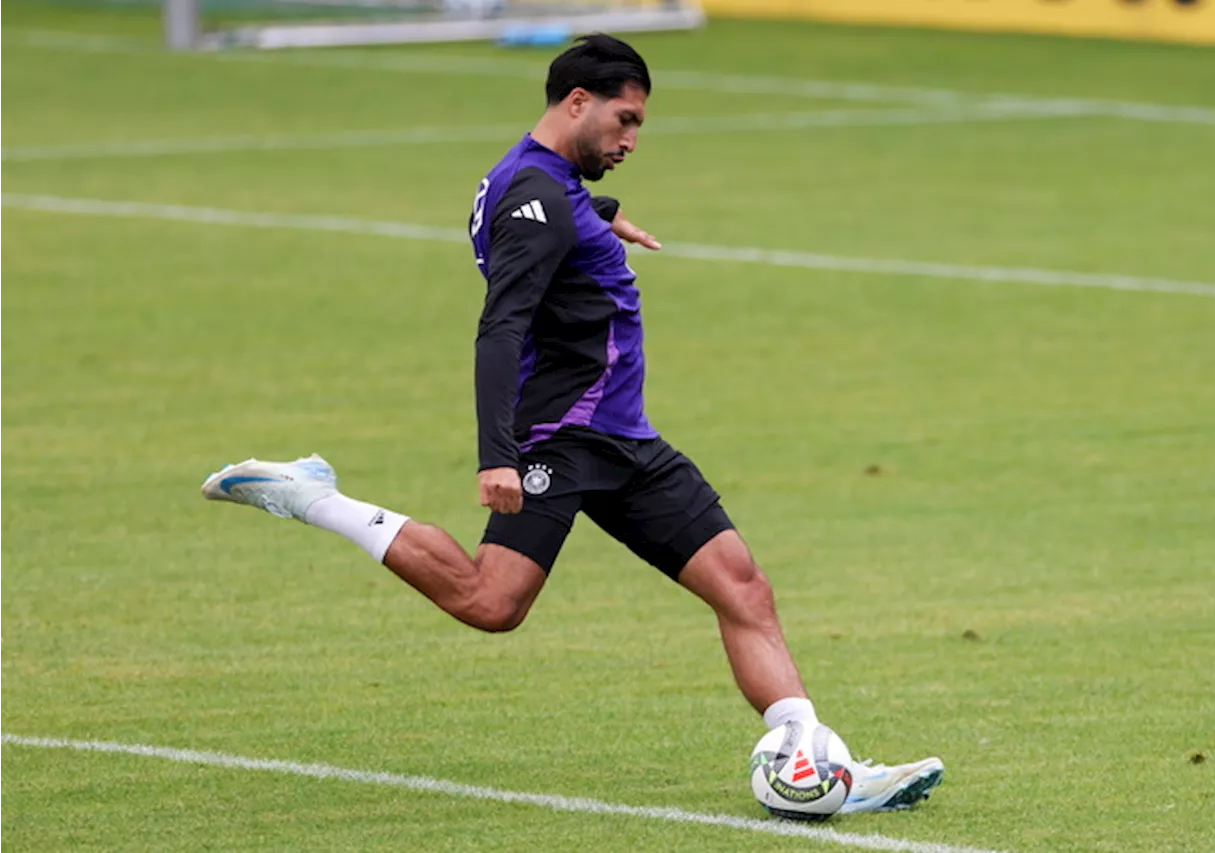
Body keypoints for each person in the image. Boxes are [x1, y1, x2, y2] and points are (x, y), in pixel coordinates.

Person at [201, 33, 943, 814]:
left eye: (639, 128)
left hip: (624, 436)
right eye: (623, 120)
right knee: (492, 602)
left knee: (742, 584)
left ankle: (812, 763)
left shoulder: (542, 187)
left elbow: (548, 210)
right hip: (563, 434)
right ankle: (311, 495)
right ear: (577, 101)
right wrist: (498, 455)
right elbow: (501, 326)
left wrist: (600, 215)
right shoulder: (537, 201)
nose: (629, 140)